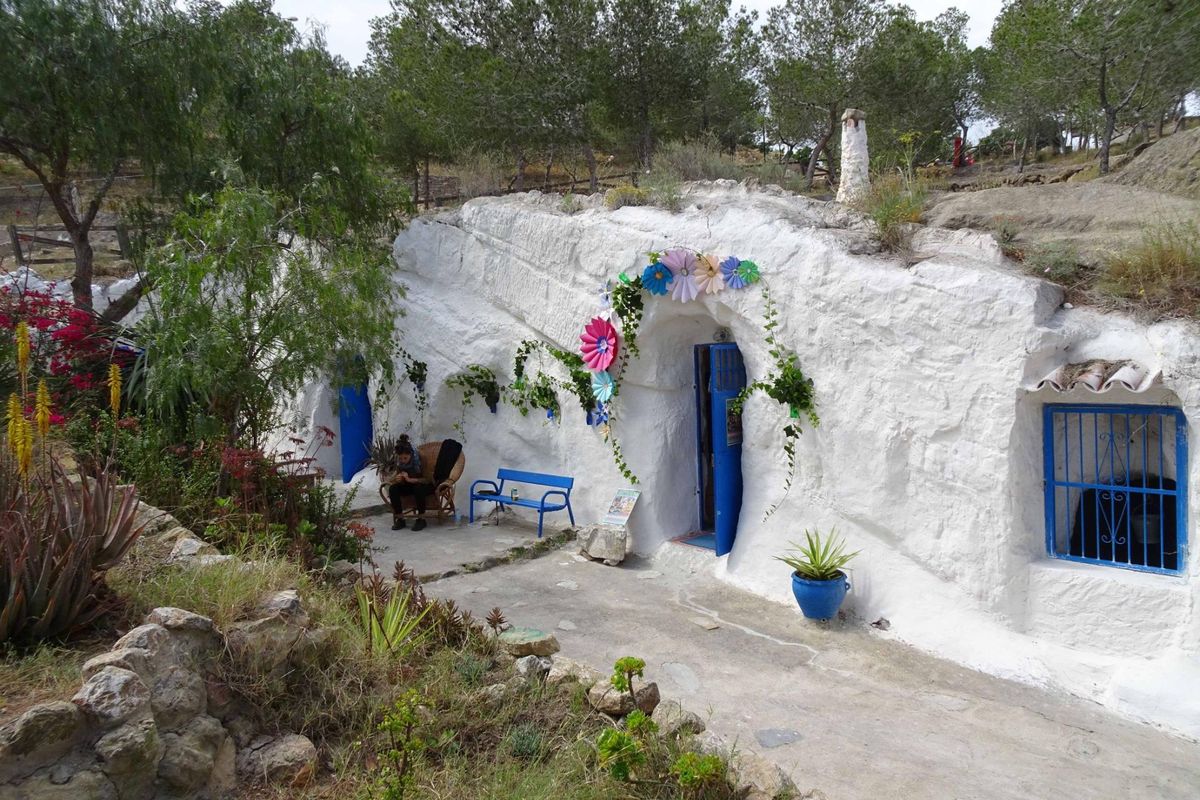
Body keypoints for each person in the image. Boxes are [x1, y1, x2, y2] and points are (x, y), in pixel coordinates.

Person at [388, 434, 428, 531]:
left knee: (418, 488)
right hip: (408, 485)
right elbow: (396, 477)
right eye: (401, 458)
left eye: (405, 458)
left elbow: (428, 479)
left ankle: (421, 519)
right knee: (393, 489)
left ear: (411, 454)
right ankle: (400, 518)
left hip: (423, 486)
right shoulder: (399, 462)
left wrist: (411, 479)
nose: (403, 461)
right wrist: (398, 479)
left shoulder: (421, 459)